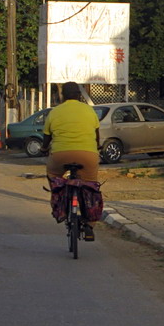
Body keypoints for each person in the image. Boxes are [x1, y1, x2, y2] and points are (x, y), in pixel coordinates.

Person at [44, 82, 101, 240]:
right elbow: (97, 135)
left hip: (60, 155)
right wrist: (97, 147)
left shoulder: (55, 112)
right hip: (87, 155)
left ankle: (60, 204)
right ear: (79, 95)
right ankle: (90, 225)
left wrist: (43, 148)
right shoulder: (89, 111)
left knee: (53, 175)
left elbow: (47, 136)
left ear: (63, 96)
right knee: (90, 185)